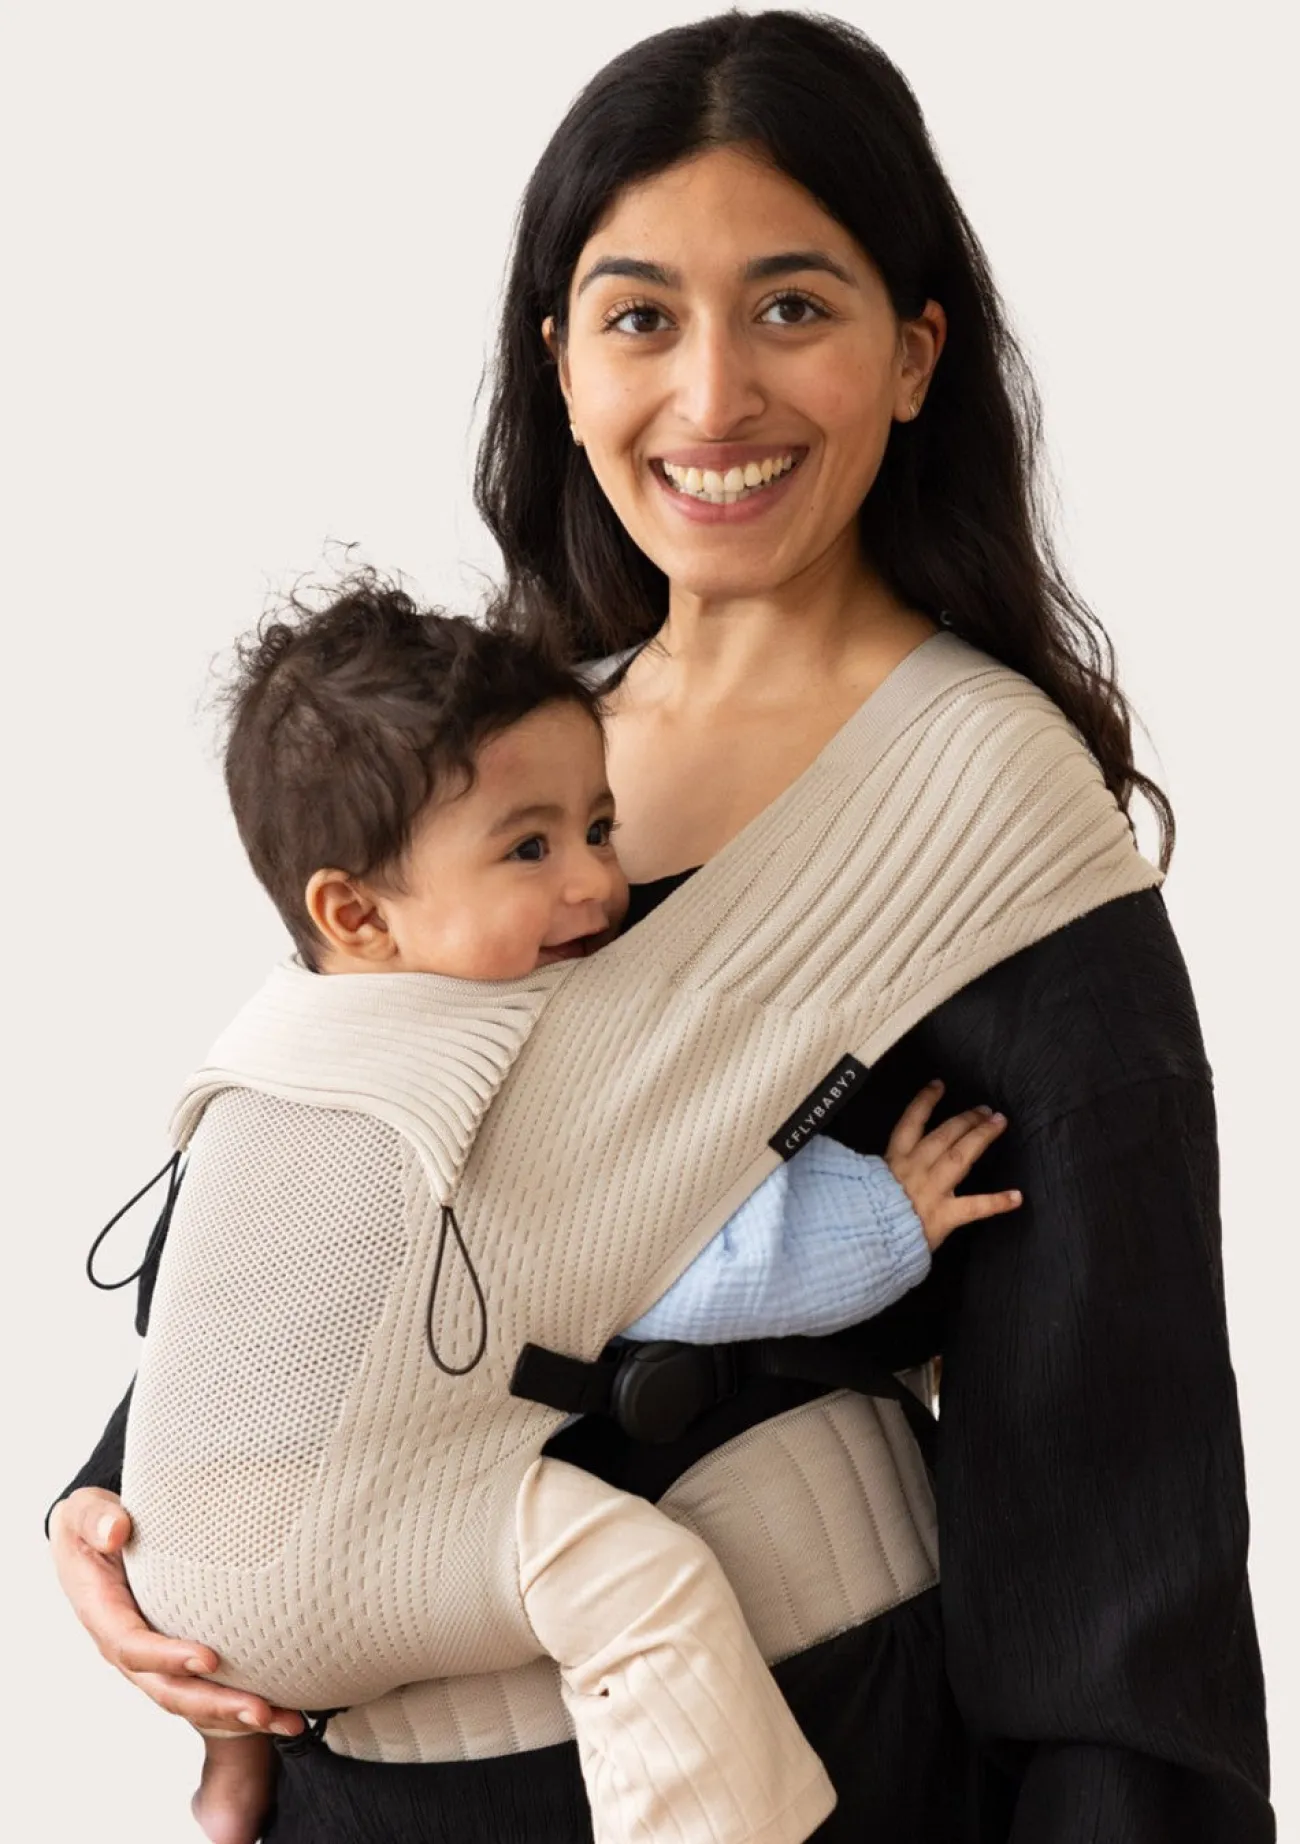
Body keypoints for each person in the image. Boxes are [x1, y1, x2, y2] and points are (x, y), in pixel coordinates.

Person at [49, 12, 1272, 1841]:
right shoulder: (496, 764)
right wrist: (121, 1498)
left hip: (802, 1764)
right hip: (348, 1793)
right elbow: (332, 1186)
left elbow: (1120, 1536)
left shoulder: (991, 818)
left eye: (791, 306)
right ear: (559, 361)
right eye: (639, 317)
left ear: (914, 352)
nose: (712, 398)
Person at [126, 578, 1015, 1844]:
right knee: (646, 1586)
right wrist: (887, 1216)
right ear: (355, 912)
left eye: (599, 826)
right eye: (528, 850)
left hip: (184, 1589)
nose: (599, 880)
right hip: (368, 1559)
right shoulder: (500, 1071)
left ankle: (230, 1766)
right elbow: (684, 1257)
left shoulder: (266, 1061)